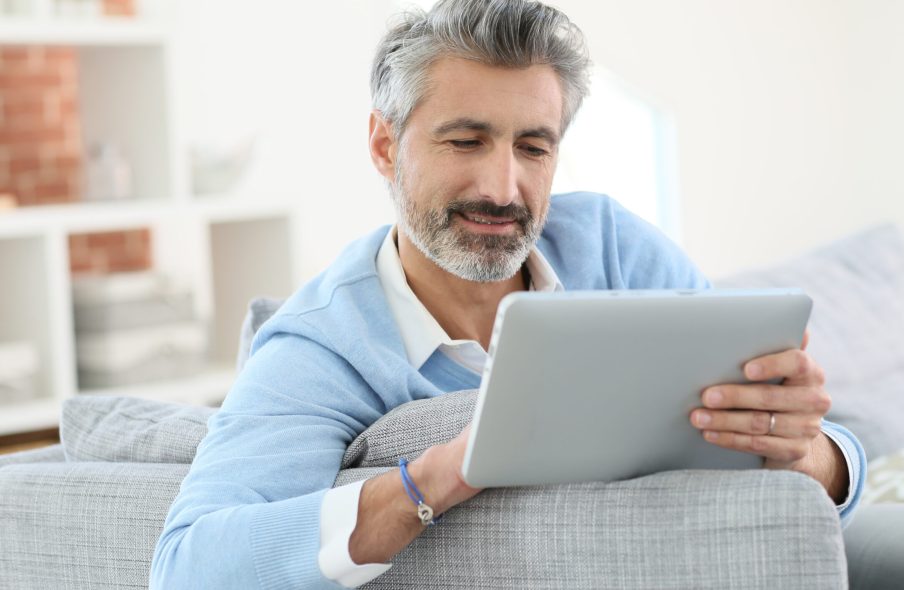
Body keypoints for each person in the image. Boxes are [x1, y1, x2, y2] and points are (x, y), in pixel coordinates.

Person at [150, 0, 865, 587]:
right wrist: (441, 474)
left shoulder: (613, 250)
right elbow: (186, 566)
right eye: (465, 142)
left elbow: (841, 470)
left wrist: (803, 451)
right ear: (383, 145)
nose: (503, 189)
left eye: (533, 147)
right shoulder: (321, 344)